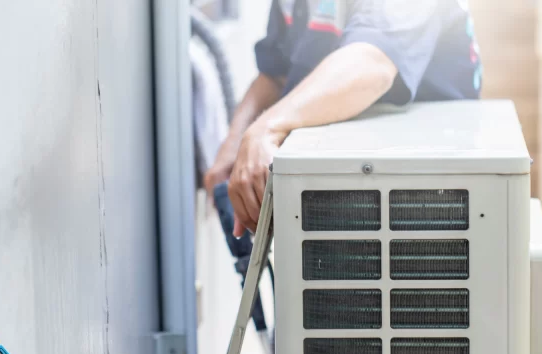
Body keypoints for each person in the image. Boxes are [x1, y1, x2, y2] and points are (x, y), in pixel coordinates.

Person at [204, 0, 482, 237]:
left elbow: (373, 63)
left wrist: (266, 128)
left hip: (426, 193)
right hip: (342, 185)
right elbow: (277, 74)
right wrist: (235, 141)